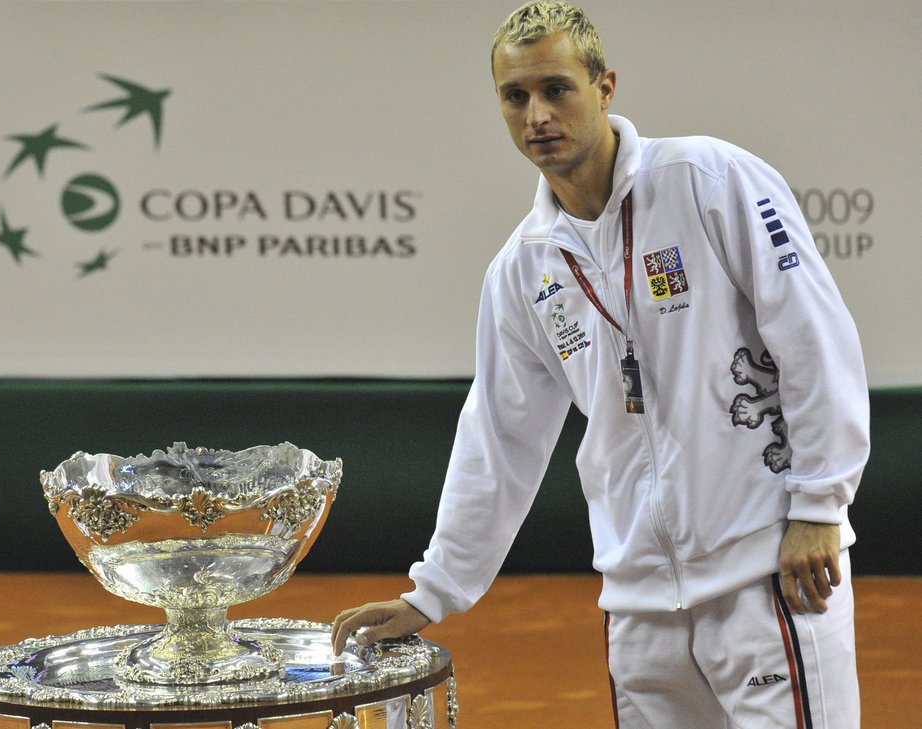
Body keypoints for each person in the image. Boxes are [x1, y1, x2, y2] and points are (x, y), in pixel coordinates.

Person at [331, 2, 870, 727]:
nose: (537, 116)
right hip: (638, 606)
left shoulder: (709, 179)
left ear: (605, 86)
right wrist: (434, 590)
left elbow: (815, 336)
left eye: (557, 89)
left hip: (768, 574)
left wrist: (818, 504)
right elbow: (500, 438)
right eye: (515, 97)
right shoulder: (523, 269)